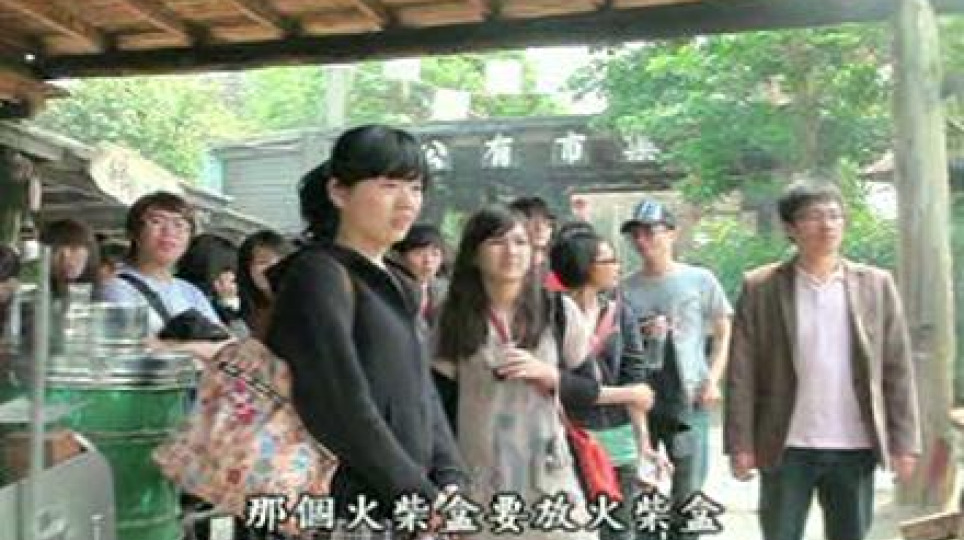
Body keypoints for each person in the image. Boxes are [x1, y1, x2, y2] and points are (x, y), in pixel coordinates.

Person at [265, 125, 466, 538]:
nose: (407, 201)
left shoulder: (398, 281)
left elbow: (422, 391)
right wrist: (416, 493)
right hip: (344, 508)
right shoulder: (319, 275)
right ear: (339, 192)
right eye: (389, 185)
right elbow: (339, 405)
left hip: (402, 508)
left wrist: (449, 477)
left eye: (415, 187)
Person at [724, 180, 920, 540]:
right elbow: (741, 372)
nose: (827, 225)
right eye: (813, 217)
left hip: (854, 443)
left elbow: (897, 368)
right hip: (785, 443)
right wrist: (740, 444)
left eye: (834, 216)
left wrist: (904, 442)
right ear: (790, 228)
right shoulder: (762, 287)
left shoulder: (876, 284)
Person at [435, 205, 594, 540]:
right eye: (497, 242)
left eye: (520, 242)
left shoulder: (558, 311)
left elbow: (589, 390)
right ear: (473, 255)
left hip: (549, 477)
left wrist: (550, 375)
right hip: (481, 482)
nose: (511, 252)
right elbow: (437, 409)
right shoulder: (450, 319)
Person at [550, 225, 668, 540]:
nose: (618, 267)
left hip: (618, 438)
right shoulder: (551, 315)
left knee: (619, 529)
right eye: (608, 260)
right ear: (585, 266)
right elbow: (558, 383)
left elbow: (635, 377)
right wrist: (626, 394)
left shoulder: (619, 312)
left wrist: (644, 443)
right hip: (570, 436)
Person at [620, 199, 732, 509]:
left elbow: (724, 332)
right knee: (642, 488)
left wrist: (713, 379)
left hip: (688, 398)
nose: (642, 241)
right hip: (641, 401)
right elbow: (617, 345)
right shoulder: (625, 288)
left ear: (672, 233)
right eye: (636, 234)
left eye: (650, 232)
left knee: (688, 487)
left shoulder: (700, 280)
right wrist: (641, 331)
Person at [99, 192, 221, 335]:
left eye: (179, 224)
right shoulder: (114, 285)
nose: (169, 231)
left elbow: (226, 341)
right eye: (157, 221)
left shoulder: (190, 292)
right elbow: (134, 343)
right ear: (134, 232)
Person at [176, 233, 244, 332]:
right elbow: (240, 336)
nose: (232, 276)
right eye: (227, 269)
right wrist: (228, 303)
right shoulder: (194, 298)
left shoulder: (177, 286)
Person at [236, 230, 292, 340]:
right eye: (263, 262)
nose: (273, 267)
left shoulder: (305, 305)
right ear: (248, 269)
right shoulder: (243, 316)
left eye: (281, 262)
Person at [393, 223, 448, 328]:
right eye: (418, 253)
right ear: (400, 256)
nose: (428, 261)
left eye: (435, 254)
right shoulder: (390, 286)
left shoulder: (444, 293)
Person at [509, 196, 564, 291]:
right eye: (532, 220)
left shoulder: (558, 270)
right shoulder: (506, 271)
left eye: (546, 221)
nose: (540, 228)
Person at [39, 218, 99, 300]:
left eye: (74, 248)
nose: (66, 257)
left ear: (89, 252)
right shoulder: (35, 293)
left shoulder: (102, 292)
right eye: (56, 250)